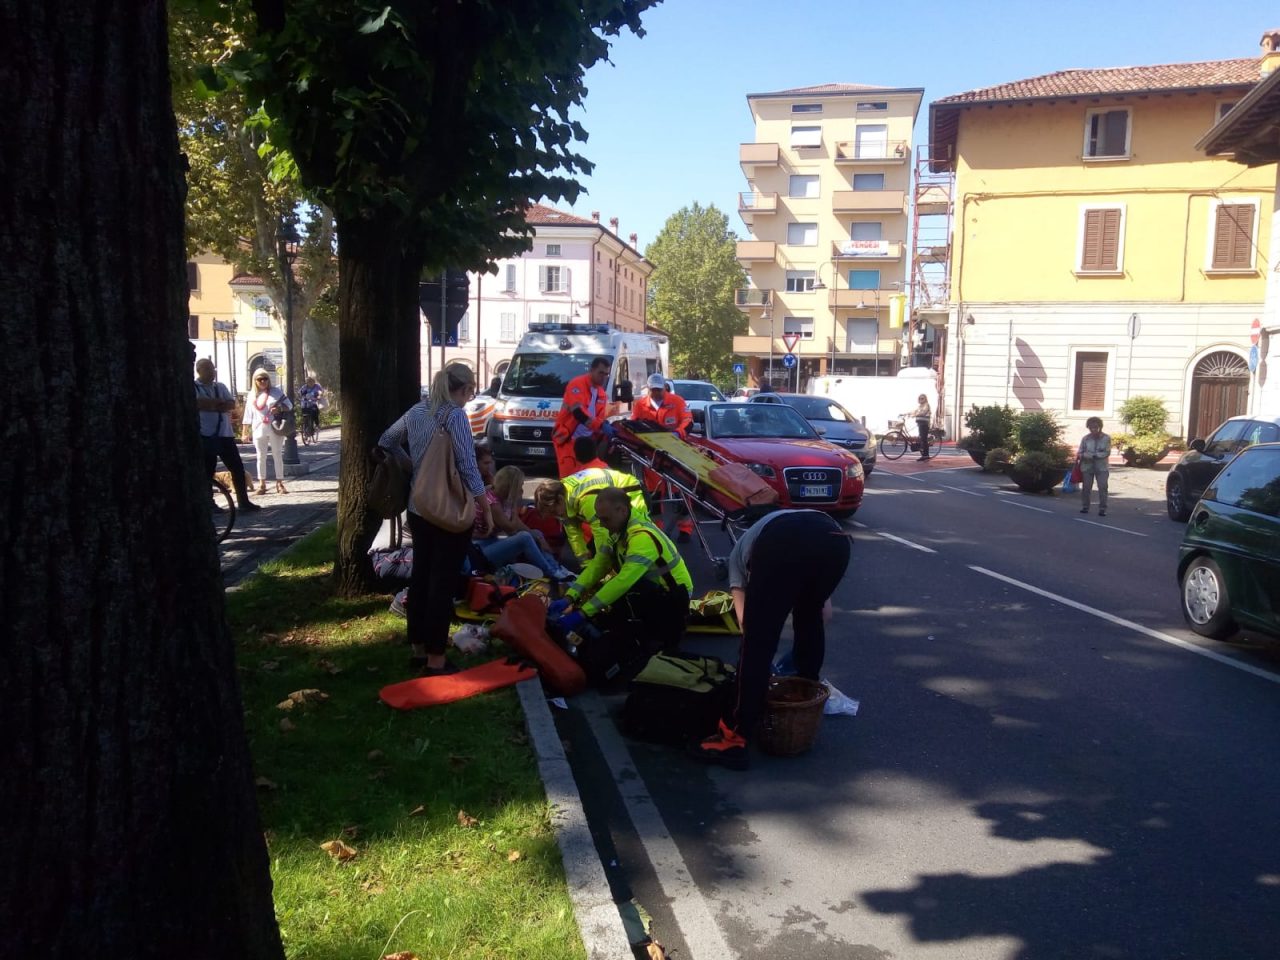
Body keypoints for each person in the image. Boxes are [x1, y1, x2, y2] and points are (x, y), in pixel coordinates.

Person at [691, 508, 851, 771]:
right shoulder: (787, 523)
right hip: (835, 540)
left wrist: (759, 671)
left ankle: (733, 739)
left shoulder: (738, 559)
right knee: (809, 622)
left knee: (757, 643)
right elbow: (824, 614)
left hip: (784, 542)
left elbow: (746, 624)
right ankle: (803, 702)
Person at [379, 363, 493, 675]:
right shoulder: (455, 415)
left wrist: (412, 467)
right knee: (443, 583)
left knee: (421, 578)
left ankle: (417, 649)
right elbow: (468, 466)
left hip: (419, 508)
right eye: (471, 392)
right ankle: (436, 659)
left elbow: (386, 440)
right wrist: (485, 504)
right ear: (466, 388)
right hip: (448, 511)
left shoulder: (418, 410)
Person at [548, 486, 692, 654]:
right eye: (599, 518)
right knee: (609, 602)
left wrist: (583, 613)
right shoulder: (618, 530)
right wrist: (569, 596)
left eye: (605, 519)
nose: (601, 524)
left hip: (674, 598)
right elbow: (598, 565)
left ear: (622, 511)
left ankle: (660, 635)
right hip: (653, 589)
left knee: (623, 623)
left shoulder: (642, 539)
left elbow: (623, 581)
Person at [470, 448, 572, 579]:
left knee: (536, 533)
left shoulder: (500, 497)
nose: (522, 489)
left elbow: (517, 523)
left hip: (490, 543)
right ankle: (552, 572)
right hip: (479, 549)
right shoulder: (492, 503)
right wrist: (513, 505)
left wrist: (538, 537)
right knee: (524, 537)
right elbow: (511, 528)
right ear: (511, 486)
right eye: (520, 485)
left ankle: (556, 567)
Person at [630, 374, 694, 541]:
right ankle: (656, 531)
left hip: (675, 453)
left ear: (664, 387)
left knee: (681, 492)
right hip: (652, 455)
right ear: (649, 389)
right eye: (654, 390)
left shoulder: (677, 401)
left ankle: (685, 529)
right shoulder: (641, 405)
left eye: (659, 389)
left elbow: (688, 421)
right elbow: (633, 425)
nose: (657, 393)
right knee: (654, 495)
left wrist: (678, 433)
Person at [549, 463, 651, 564]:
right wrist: (586, 564)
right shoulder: (562, 494)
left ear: (560, 499)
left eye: (554, 511)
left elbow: (601, 532)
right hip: (614, 495)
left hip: (631, 492)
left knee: (633, 538)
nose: (557, 516)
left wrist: (601, 565)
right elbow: (574, 535)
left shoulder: (585, 499)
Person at [195, 358, 260, 512]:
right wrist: (218, 404)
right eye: (208, 369)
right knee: (208, 470)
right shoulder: (194, 387)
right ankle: (209, 503)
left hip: (225, 435)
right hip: (206, 435)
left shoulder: (220, 386)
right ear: (200, 371)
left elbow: (231, 404)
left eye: (213, 369)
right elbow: (198, 403)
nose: (213, 372)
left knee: (237, 468)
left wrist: (211, 404)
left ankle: (243, 501)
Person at [553, 356, 610, 477]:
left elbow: (598, 419)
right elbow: (578, 412)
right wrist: (600, 425)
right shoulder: (577, 384)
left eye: (606, 374)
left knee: (586, 478)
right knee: (570, 479)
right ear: (591, 370)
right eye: (601, 373)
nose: (603, 377)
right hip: (568, 439)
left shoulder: (602, 394)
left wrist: (603, 431)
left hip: (586, 442)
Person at [241, 369, 291, 494]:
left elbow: (289, 405)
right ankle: (262, 483)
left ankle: (280, 482)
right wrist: (244, 432)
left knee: (277, 454)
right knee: (260, 456)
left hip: (274, 427)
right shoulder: (251, 394)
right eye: (259, 379)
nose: (263, 381)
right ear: (254, 381)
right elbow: (248, 415)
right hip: (258, 428)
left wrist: (279, 408)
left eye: (265, 378)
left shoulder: (276, 392)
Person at [1078, 416, 1112, 516]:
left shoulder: (1106, 438)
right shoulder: (1085, 438)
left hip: (1102, 467)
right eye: (1091, 428)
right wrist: (1085, 455)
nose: (1094, 430)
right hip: (1087, 466)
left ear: (1100, 427)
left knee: (1103, 487)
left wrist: (1096, 455)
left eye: (1096, 427)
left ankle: (1102, 509)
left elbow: (1107, 452)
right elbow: (1080, 452)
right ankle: (1085, 507)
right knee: (1086, 488)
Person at [912, 394, 932, 461]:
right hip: (920, 423)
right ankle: (923, 454)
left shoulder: (926, 405)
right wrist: (906, 414)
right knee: (921, 438)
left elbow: (923, 412)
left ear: (925, 399)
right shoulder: (919, 406)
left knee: (924, 439)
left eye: (922, 398)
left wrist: (915, 414)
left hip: (924, 424)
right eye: (920, 398)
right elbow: (914, 411)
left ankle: (926, 455)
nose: (921, 400)